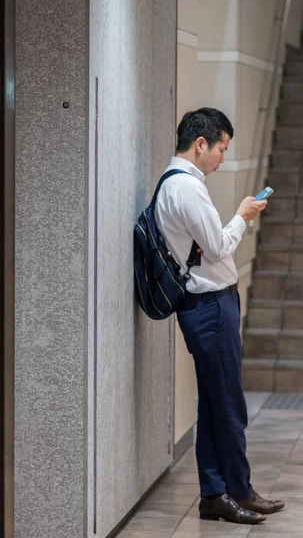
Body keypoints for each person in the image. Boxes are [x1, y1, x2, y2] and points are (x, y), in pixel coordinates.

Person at [155, 108, 285, 525]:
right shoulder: (187, 189)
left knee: (214, 403)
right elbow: (217, 247)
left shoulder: (175, 184)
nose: (222, 159)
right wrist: (243, 218)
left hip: (208, 307)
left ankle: (218, 493)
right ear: (200, 144)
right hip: (209, 307)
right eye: (221, 150)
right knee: (227, 404)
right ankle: (236, 492)